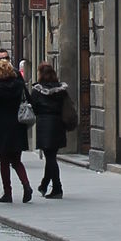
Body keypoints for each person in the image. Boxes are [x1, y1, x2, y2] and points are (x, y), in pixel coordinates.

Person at [0, 56, 33, 202]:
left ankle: (8, 193)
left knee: (4, 162)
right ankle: (26, 185)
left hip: (3, 126)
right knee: (17, 161)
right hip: (18, 125)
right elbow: (29, 100)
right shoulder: (19, 86)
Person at [30, 61, 71, 196]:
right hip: (58, 124)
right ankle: (44, 184)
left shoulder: (37, 90)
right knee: (51, 156)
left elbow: (33, 107)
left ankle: (57, 188)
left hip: (44, 124)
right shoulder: (61, 91)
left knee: (50, 157)